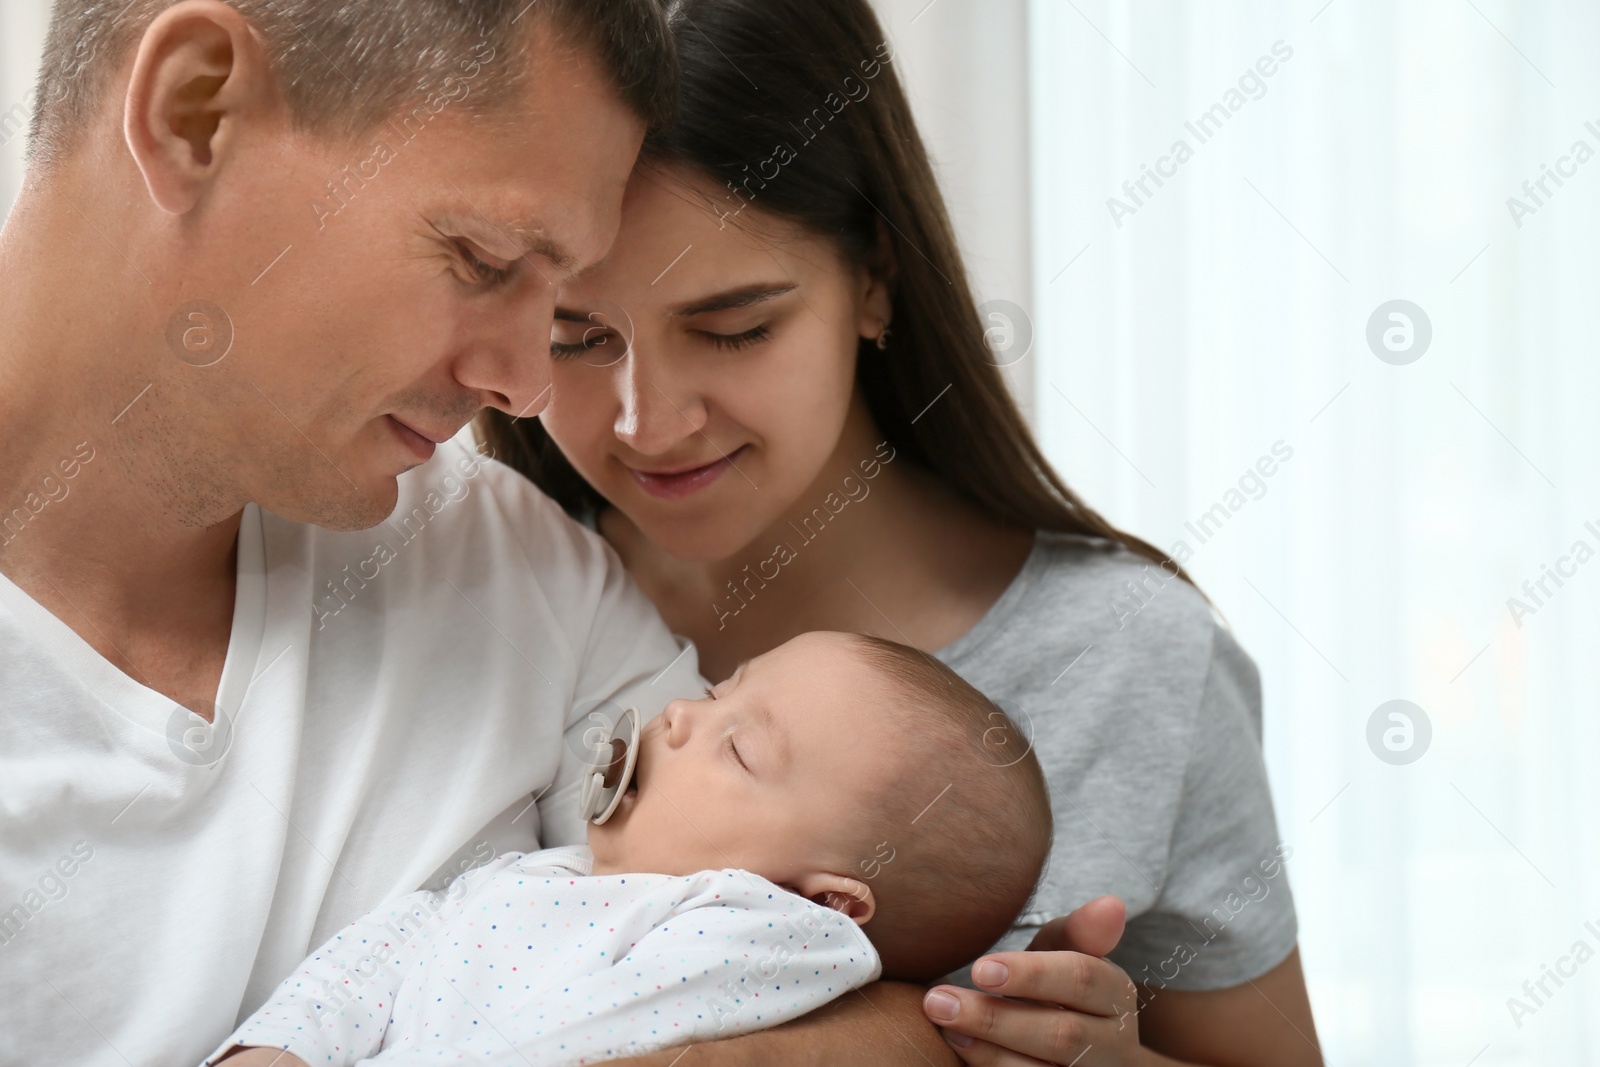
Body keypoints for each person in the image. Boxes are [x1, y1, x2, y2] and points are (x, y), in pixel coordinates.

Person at [479, 0, 1325, 1063]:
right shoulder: (466, 593)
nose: (649, 419)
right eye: (578, 336)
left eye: (734, 327)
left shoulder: (1126, 659)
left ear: (874, 275)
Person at [0, 3, 710, 1065]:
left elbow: (852, 971)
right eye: (482, 257)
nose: (522, 382)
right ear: (196, 111)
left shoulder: (509, 566)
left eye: (558, 302)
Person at [207, 632, 1053, 1066]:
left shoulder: (752, 935)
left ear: (824, 903)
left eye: (740, 748)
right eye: (722, 691)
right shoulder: (552, 876)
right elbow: (390, 944)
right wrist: (283, 1043)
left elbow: (583, 1044)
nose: (682, 714)